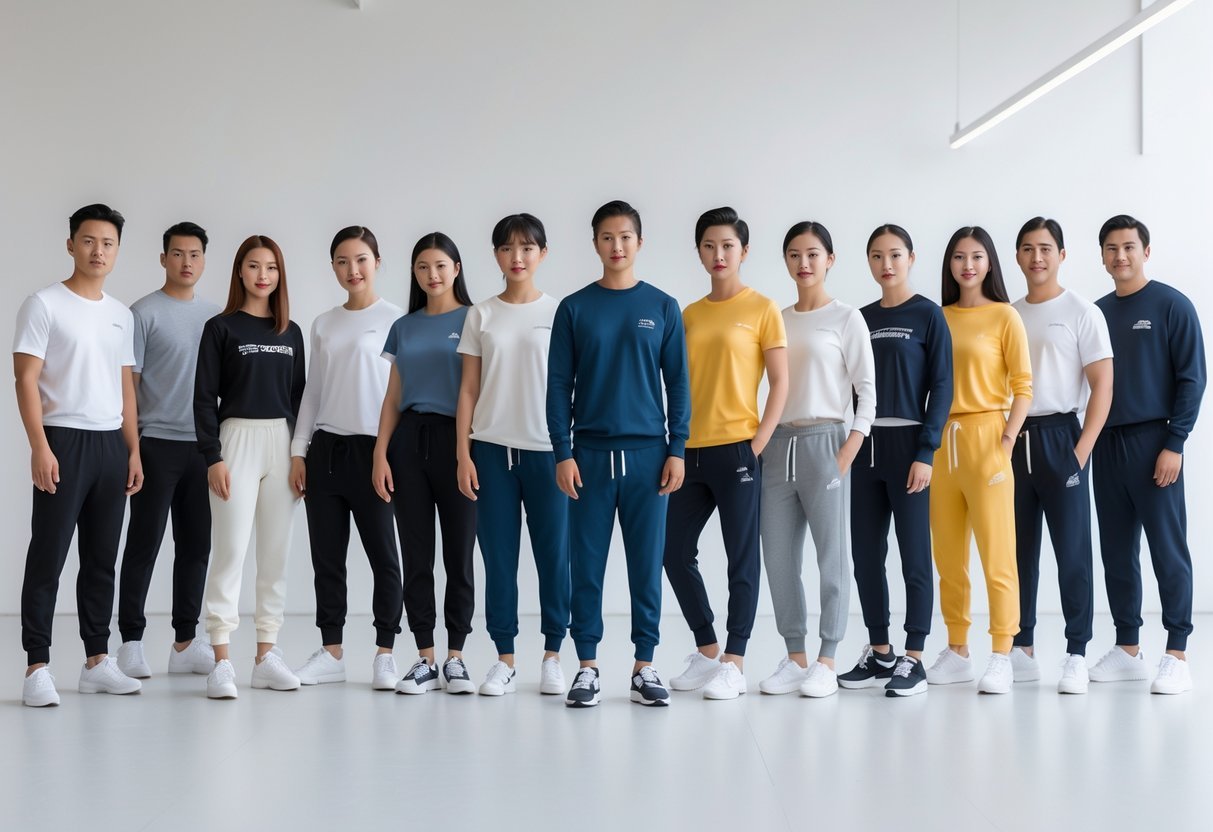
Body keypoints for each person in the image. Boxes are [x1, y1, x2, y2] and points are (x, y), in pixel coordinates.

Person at [547, 200, 689, 708]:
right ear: (595, 244)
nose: (616, 246)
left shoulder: (663, 306)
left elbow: (678, 383)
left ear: (639, 243)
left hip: (650, 456)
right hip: (587, 455)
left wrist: (677, 447)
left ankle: (644, 665)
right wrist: (562, 452)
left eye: (625, 237)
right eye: (607, 237)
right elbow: (558, 384)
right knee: (585, 564)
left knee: (645, 565)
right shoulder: (575, 308)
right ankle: (586, 665)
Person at [16, 203, 144, 706]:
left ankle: (96, 660)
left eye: (108, 243)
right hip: (63, 439)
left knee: (101, 558)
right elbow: (25, 378)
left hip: (111, 444)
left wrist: (132, 450)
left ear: (117, 251)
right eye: (89, 241)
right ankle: (36, 665)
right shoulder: (43, 304)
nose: (98, 251)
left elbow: (126, 390)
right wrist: (39, 446)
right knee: (47, 555)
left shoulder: (120, 315)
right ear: (71, 244)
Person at [664, 207, 787, 701]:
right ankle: (709, 648)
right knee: (672, 551)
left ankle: (735, 659)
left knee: (741, 558)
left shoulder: (762, 309)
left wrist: (755, 445)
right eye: (710, 246)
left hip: (738, 449)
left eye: (728, 246)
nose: (719, 255)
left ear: (744, 251)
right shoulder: (687, 314)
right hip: (688, 451)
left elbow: (779, 383)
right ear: (699, 251)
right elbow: (674, 385)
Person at [758, 221, 875, 699]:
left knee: (831, 556)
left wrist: (847, 449)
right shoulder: (776, 319)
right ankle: (795, 656)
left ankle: (827, 657)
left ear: (829, 259)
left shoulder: (846, 319)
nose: (803, 264)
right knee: (779, 557)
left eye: (812, 254)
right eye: (793, 255)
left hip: (827, 442)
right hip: (778, 445)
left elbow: (867, 393)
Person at [1090, 214, 1206, 695]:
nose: (1121, 256)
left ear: (1146, 251)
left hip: (1155, 443)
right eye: (1112, 248)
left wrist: (1174, 442)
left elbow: (1192, 378)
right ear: (1102, 256)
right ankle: (1128, 647)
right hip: (1106, 444)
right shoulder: (1095, 312)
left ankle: (1177, 651)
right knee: (1117, 552)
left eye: (1129, 247)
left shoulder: (1171, 305)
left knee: (1167, 549)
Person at [456, 213, 570, 697]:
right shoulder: (480, 314)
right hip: (492, 454)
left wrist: (571, 450)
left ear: (543, 253)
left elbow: (573, 388)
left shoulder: (561, 312)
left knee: (554, 559)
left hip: (548, 453)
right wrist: (463, 454)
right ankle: (504, 658)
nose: (517, 257)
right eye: (507, 248)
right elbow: (468, 390)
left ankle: (552, 655)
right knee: (498, 560)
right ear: (496, 256)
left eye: (527, 248)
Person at [839, 224, 952, 697]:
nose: (886, 264)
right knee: (866, 554)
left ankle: (915, 656)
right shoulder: (859, 318)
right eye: (877, 256)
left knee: (913, 557)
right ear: (868, 262)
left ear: (910, 257)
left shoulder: (928, 315)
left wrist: (926, 452)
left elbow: (943, 386)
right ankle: (880, 650)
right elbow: (851, 382)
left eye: (895, 255)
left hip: (909, 448)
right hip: (866, 447)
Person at [291, 227, 404, 690]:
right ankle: (332, 650)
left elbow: (400, 397)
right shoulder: (323, 323)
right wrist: (299, 451)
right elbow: (312, 392)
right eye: (341, 261)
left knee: (384, 557)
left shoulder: (398, 320)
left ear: (377, 261)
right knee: (327, 557)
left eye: (360, 259)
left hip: (374, 452)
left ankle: (385, 651)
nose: (352, 270)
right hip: (326, 452)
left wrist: (387, 453)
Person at [194, 235, 306, 699]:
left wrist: (301, 454)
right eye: (254, 266)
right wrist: (212, 457)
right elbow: (202, 397)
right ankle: (221, 657)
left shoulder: (291, 331)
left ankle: (266, 655)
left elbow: (301, 399)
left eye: (272, 268)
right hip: (235, 439)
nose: (263, 275)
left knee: (275, 554)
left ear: (280, 275)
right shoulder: (221, 328)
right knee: (230, 551)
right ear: (240, 272)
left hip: (281, 442)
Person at [1009, 217, 1113, 695]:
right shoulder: (1008, 313)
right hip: (1014, 439)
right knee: (1017, 549)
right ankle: (1021, 645)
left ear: (1062, 255)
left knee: (1072, 549)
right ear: (1017, 257)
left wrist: (1081, 449)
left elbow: (1102, 385)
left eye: (1046, 248)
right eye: (1028, 249)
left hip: (1060, 437)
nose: (1037, 257)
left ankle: (1076, 651)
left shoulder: (1081, 311)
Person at [927, 226, 1031, 695]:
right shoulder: (937, 316)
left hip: (989, 436)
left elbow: (1024, 386)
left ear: (990, 263)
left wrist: (1007, 441)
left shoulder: (1004, 316)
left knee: (997, 554)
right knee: (948, 555)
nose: (967, 265)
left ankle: (1002, 653)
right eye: (958, 258)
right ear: (949, 265)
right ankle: (956, 648)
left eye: (976, 256)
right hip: (941, 442)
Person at [115, 222, 221, 681]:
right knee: (144, 543)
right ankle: (131, 644)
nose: (186, 262)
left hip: (201, 448)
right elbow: (129, 390)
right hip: (155, 445)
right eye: (177, 254)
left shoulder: (218, 318)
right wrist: (132, 450)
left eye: (194, 254)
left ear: (203, 259)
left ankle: (184, 641)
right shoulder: (143, 313)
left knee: (196, 547)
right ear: (163, 259)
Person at [373, 232, 477, 695]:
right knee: (417, 554)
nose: (432, 275)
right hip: (409, 442)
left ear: (456, 268)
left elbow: (477, 390)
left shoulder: (475, 319)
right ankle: (425, 657)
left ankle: (456, 656)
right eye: (422, 267)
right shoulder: (405, 326)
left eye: (440, 265)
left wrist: (465, 453)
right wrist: (380, 451)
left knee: (459, 553)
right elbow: (394, 395)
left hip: (460, 441)